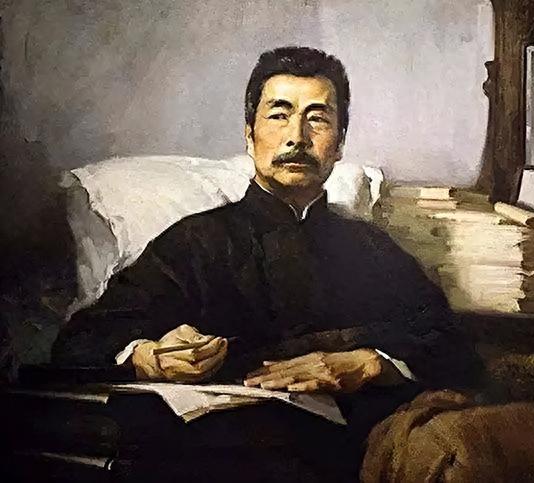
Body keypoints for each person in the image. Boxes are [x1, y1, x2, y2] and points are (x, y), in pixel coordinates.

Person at [53, 46, 478, 481]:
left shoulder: (373, 249)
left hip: (360, 455)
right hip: (231, 458)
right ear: (249, 135)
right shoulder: (195, 242)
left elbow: (454, 349)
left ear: (339, 143)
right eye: (279, 115)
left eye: (317, 118)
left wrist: (372, 362)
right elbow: (80, 340)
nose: (297, 137)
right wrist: (147, 356)